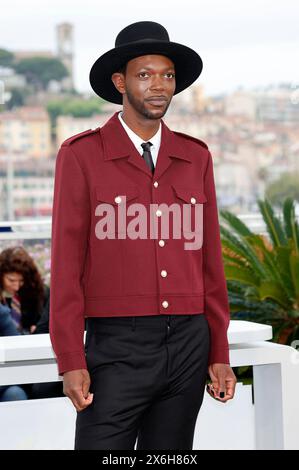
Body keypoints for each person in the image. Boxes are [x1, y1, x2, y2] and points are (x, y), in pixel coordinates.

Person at [49, 21, 237, 450]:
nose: (159, 86)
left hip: (190, 342)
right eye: (145, 74)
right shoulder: (81, 156)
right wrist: (70, 359)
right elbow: (66, 266)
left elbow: (210, 263)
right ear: (120, 82)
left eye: (167, 75)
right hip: (117, 346)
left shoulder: (196, 157)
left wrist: (219, 351)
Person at [0, 246, 50, 401]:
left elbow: (43, 326)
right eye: (11, 280)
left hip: (30, 360)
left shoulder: (38, 294)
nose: (16, 286)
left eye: (21, 281)